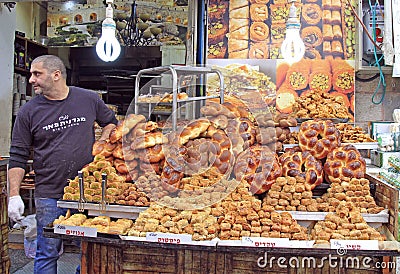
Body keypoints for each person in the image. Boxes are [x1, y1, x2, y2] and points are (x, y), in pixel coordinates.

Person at [7, 55, 118, 273]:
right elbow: (18, 155)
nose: (31, 79)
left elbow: (111, 122)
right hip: (49, 193)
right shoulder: (28, 111)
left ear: (56, 75)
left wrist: (102, 143)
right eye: (31, 74)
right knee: (47, 251)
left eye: (37, 74)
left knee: (90, 250)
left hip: (86, 193)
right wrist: (13, 195)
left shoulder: (87, 99)